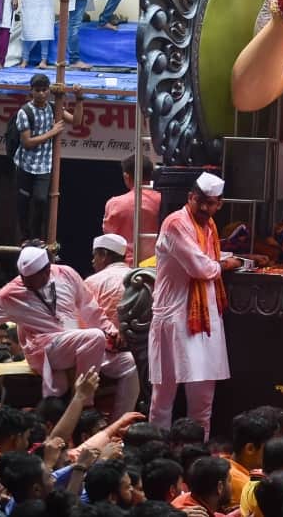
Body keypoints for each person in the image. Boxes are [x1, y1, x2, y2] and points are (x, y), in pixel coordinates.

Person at [0, 243, 140, 416]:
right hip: (45, 350)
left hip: (78, 342)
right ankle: (85, 406)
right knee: (93, 337)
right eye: (25, 279)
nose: (28, 283)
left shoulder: (67, 274)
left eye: (34, 278)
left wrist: (111, 331)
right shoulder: (11, 294)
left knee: (128, 363)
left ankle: (117, 424)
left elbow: (91, 310)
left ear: (47, 269)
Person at [149, 171, 242, 435]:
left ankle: (196, 456)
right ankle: (155, 452)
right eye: (199, 200)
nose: (204, 207)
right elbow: (200, 266)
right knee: (163, 398)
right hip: (174, 318)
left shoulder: (209, 228)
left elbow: (206, 259)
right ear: (190, 197)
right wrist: (227, 264)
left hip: (205, 320)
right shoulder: (175, 223)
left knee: (202, 402)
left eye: (211, 203)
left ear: (219, 204)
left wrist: (233, 258)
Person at [14, 74, 84, 241]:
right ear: (31, 91)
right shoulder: (24, 112)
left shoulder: (53, 107)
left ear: (49, 91)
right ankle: (25, 237)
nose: (41, 94)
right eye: (37, 90)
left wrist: (79, 99)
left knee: (40, 201)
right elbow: (27, 142)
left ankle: (37, 237)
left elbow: (76, 121)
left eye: (44, 90)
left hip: (44, 165)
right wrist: (51, 133)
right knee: (23, 203)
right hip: (25, 165)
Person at [103, 154, 164, 256]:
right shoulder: (164, 200)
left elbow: (110, 239)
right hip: (156, 264)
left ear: (126, 176)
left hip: (125, 266)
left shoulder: (114, 204)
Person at [84, 233, 132, 324]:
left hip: (104, 336)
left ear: (104, 255)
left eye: (95, 256)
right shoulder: (137, 276)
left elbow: (82, 317)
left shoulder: (93, 281)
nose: (93, 261)